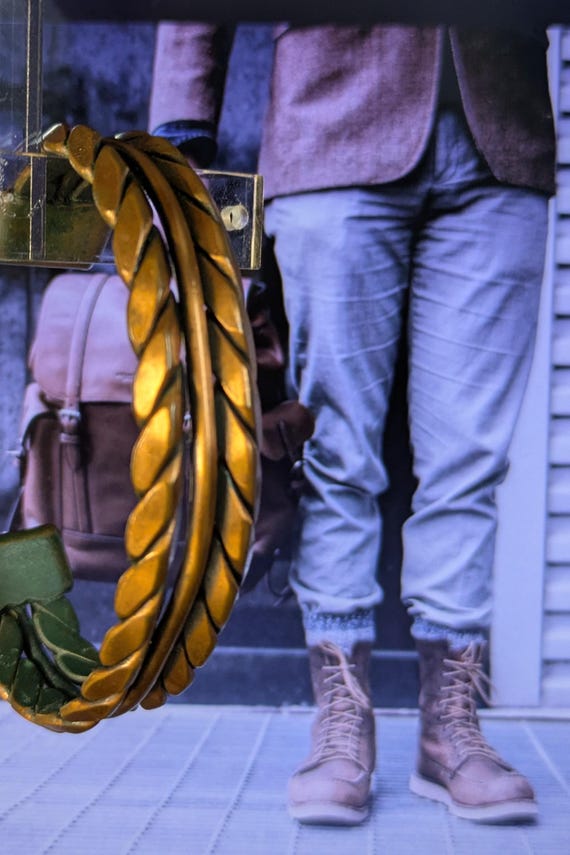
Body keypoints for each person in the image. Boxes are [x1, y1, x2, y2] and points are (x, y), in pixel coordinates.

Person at [149, 21, 556, 826]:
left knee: (470, 459)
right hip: (334, 127)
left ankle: (450, 730)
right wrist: (181, 131)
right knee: (333, 448)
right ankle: (343, 723)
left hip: (501, 138)